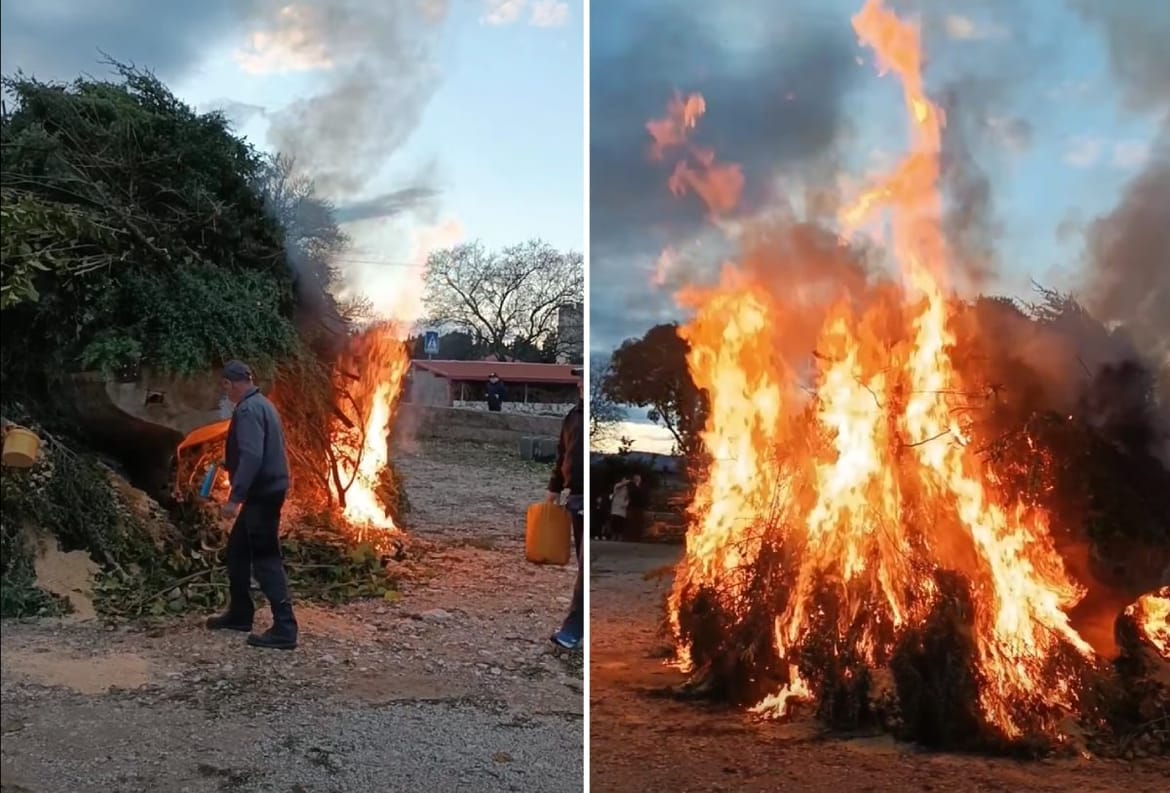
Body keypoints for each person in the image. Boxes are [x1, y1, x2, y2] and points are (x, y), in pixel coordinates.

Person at [205, 360, 299, 650]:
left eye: (226, 387)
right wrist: (229, 461)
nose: (226, 392)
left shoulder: (246, 410)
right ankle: (240, 614)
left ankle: (285, 628)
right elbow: (257, 450)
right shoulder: (263, 404)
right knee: (237, 552)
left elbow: (253, 456)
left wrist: (235, 499)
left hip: (262, 494)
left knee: (266, 558)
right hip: (270, 488)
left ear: (230, 383)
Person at [548, 367, 584, 650]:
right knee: (583, 565)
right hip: (575, 498)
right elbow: (563, 453)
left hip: (589, 497)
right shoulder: (572, 416)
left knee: (585, 568)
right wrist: (554, 487)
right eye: (581, 379)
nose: (582, 384)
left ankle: (573, 629)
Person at [609, 476, 631, 541]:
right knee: (614, 522)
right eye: (623, 480)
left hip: (622, 508)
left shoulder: (627, 489)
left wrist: (625, 504)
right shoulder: (617, 486)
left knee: (620, 523)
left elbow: (628, 498)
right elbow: (618, 486)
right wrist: (625, 483)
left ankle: (619, 536)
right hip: (615, 507)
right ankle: (613, 536)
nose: (624, 481)